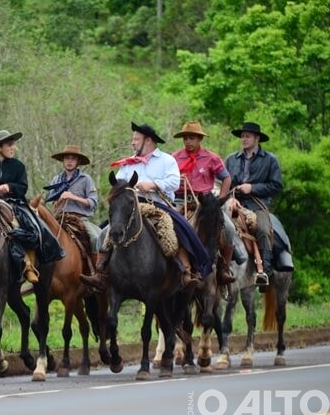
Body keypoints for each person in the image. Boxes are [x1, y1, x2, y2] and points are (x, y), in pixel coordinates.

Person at [81, 122, 211, 292]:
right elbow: (118, 184)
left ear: (148, 140)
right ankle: (101, 273)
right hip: (131, 208)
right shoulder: (128, 163)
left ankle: (186, 272)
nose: (132, 142)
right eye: (133, 139)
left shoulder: (166, 160)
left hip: (158, 207)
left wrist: (153, 184)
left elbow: (173, 182)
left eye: (136, 139)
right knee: (105, 232)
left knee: (180, 231)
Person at [0, 130, 64, 283]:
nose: (13, 148)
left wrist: (9, 187)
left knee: (29, 228)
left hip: (14, 203)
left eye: (13, 144)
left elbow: (23, 188)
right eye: (9, 145)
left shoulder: (19, 166)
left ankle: (28, 266)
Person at [171, 120, 238, 285]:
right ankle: (170, 268)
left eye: (192, 138)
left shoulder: (211, 158)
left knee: (228, 227)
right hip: (180, 200)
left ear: (199, 139)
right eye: (185, 138)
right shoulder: (174, 158)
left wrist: (220, 200)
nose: (188, 141)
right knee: (165, 227)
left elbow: (226, 178)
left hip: (205, 204)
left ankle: (224, 269)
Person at [224, 122, 283, 287]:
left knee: (264, 229)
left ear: (257, 138)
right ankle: (219, 267)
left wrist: (253, 188)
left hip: (258, 204)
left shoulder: (270, 160)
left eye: (247, 136)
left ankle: (265, 271)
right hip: (234, 203)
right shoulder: (230, 159)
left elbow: (276, 186)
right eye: (242, 136)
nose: (244, 139)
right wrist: (230, 197)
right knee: (217, 225)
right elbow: (223, 182)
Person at [44, 145, 101, 268]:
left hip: (80, 219)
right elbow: (51, 203)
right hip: (59, 218)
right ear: (63, 161)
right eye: (67, 158)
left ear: (78, 162)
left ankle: (97, 272)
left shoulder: (86, 179)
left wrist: (72, 196)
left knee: (95, 238)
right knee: (42, 236)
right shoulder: (56, 179)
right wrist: (59, 199)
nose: (69, 161)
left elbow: (93, 202)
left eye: (73, 159)